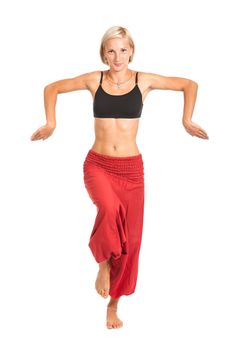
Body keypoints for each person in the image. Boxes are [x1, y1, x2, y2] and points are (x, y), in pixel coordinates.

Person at [30, 25, 209, 329]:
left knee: (133, 241)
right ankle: (103, 265)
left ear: (131, 51)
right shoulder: (94, 79)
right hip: (98, 164)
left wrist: (187, 119)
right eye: (111, 50)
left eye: (123, 50)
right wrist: (51, 122)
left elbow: (189, 84)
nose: (117, 56)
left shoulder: (144, 81)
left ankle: (113, 305)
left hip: (131, 170)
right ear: (104, 53)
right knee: (109, 209)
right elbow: (52, 88)